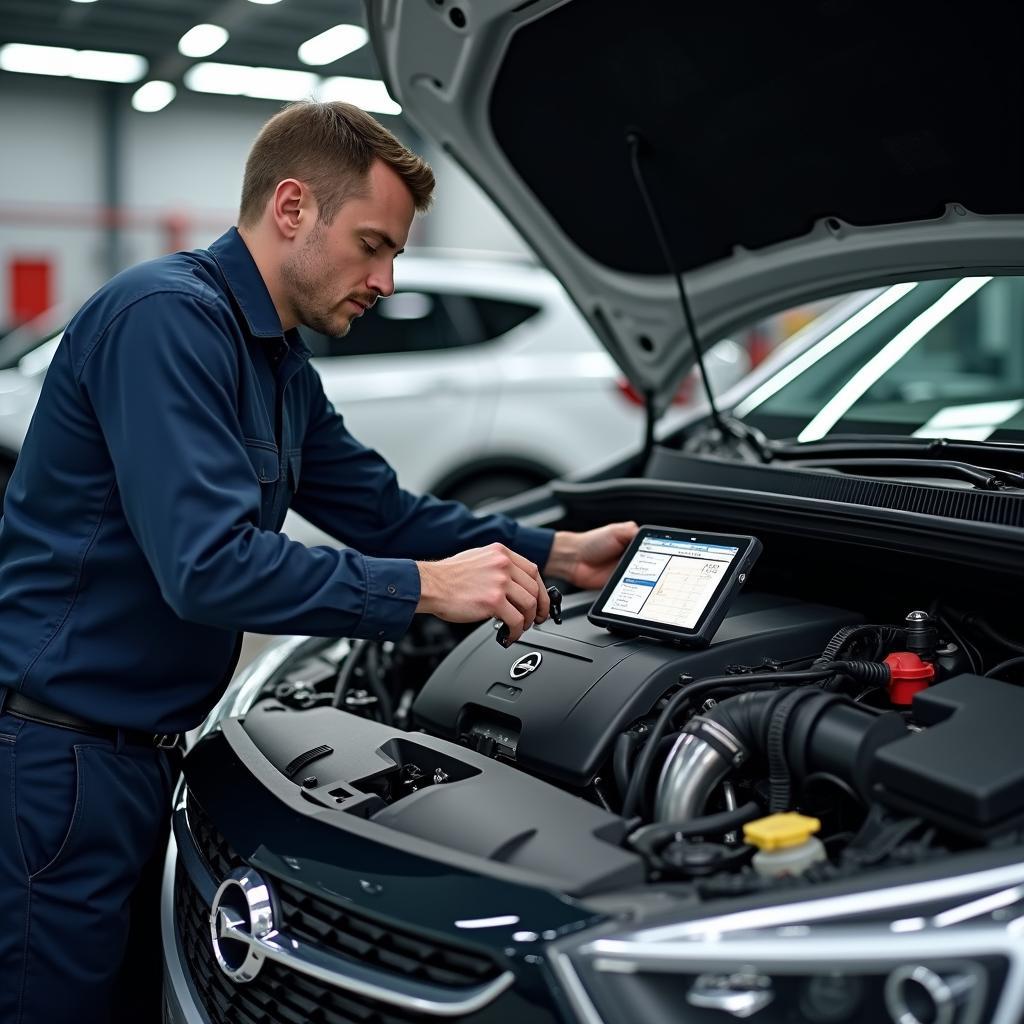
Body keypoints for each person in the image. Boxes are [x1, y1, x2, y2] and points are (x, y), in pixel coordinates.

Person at [0, 101, 637, 1022]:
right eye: (373, 245)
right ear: (292, 208)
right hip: (59, 767)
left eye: (396, 256)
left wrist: (556, 553)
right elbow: (210, 568)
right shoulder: (167, 322)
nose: (384, 279)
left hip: (129, 761)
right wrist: (424, 590)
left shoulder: (277, 362)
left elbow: (379, 510)